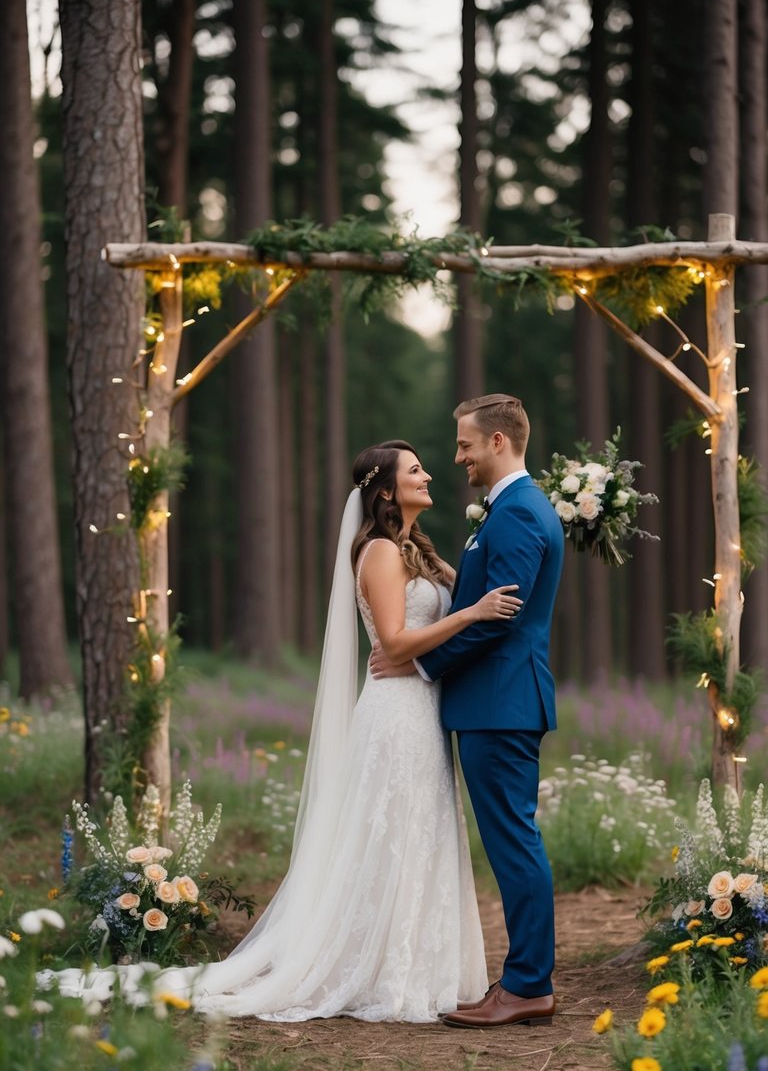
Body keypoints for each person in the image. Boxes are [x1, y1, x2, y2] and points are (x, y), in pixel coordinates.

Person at [45, 440, 522, 1023]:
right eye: (415, 470)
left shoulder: (414, 550)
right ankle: (372, 965)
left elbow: (434, 621)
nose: (429, 476)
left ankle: (418, 963)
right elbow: (394, 644)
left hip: (423, 709)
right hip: (396, 713)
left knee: (421, 830)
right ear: (386, 490)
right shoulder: (377, 552)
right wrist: (470, 615)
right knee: (390, 833)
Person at [370, 396, 564, 1028]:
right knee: (512, 840)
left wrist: (420, 665)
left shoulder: (515, 515)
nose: (457, 458)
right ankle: (523, 980)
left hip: (500, 702)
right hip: (493, 702)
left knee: (513, 843)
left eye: (465, 446)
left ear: (499, 442)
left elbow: (497, 624)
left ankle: (529, 984)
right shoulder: (509, 511)